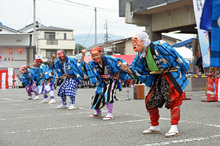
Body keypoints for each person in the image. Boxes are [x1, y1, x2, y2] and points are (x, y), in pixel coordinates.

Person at [120, 32, 189, 137]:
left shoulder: (159, 45)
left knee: (174, 99)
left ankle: (174, 127)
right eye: (132, 42)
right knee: (150, 100)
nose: (133, 44)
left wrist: (185, 68)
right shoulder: (140, 55)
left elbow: (176, 55)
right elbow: (135, 69)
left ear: (144, 41)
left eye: (136, 41)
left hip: (171, 75)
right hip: (158, 78)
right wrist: (127, 69)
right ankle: (154, 126)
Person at [80, 47, 127, 120]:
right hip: (101, 81)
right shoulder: (92, 63)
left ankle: (110, 113)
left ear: (100, 54)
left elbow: (120, 63)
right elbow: (84, 67)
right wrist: (83, 55)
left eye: (97, 55)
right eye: (93, 56)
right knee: (96, 96)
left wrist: (118, 73)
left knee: (108, 94)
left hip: (111, 79)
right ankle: (98, 112)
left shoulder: (108, 59)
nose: (95, 57)